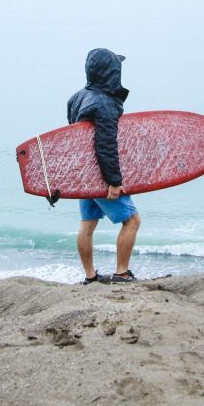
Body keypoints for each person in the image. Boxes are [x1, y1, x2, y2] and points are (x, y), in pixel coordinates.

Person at [66, 48, 140, 284]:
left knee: (87, 225)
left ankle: (90, 277)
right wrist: (114, 181)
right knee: (132, 221)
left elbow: (77, 140)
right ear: (112, 72)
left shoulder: (76, 97)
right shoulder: (105, 103)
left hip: (84, 174)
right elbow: (105, 143)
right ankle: (121, 273)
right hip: (101, 174)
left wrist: (83, 176)